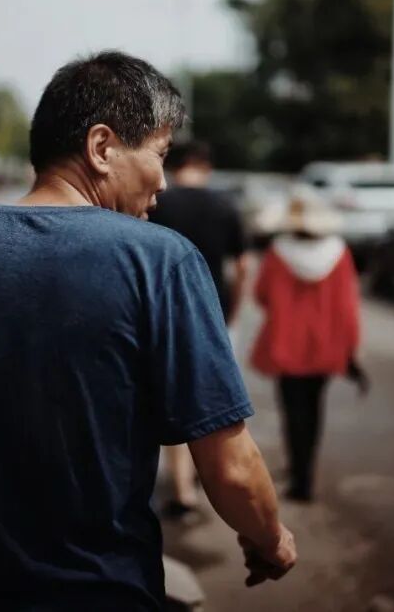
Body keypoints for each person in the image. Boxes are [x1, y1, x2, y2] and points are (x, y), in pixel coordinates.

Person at [0, 51, 296, 610]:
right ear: (102, 147)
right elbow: (231, 468)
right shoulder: (159, 261)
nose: (162, 183)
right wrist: (270, 539)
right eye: (159, 155)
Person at [148, 140, 250, 520]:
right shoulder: (225, 205)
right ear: (206, 167)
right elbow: (242, 267)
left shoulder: (159, 203)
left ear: (176, 166)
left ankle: (183, 491)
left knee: (171, 398)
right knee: (212, 401)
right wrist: (233, 311)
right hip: (213, 310)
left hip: (165, 310)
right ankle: (215, 480)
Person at [251, 191, 363, 502]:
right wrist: (351, 348)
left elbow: (261, 295)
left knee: (292, 412)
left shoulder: (278, 252)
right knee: (314, 411)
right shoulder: (340, 253)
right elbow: (348, 306)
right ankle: (306, 472)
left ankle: (298, 475)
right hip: (324, 346)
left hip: (285, 344)